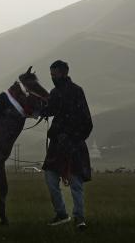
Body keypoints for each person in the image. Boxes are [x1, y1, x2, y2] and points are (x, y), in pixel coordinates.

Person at [40, 59, 92, 230]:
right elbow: (48, 110)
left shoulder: (77, 91)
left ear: (63, 73)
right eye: (51, 75)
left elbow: (87, 122)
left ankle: (79, 218)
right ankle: (62, 214)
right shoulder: (54, 93)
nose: (52, 77)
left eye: (54, 75)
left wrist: (75, 138)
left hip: (74, 144)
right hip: (58, 144)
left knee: (76, 183)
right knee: (50, 177)